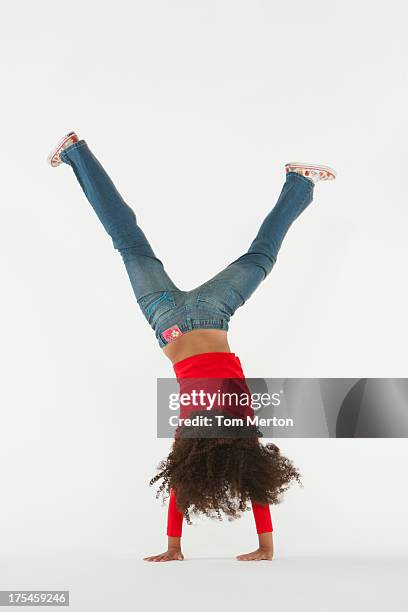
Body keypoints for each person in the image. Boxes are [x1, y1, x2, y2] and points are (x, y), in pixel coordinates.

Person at [48, 132, 336, 561]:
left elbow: (258, 489)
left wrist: (265, 546)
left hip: (212, 312)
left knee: (260, 258)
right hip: (166, 323)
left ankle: (300, 183)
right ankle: (75, 152)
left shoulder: (241, 427)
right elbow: (178, 489)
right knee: (127, 240)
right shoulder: (187, 432)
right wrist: (173, 547)